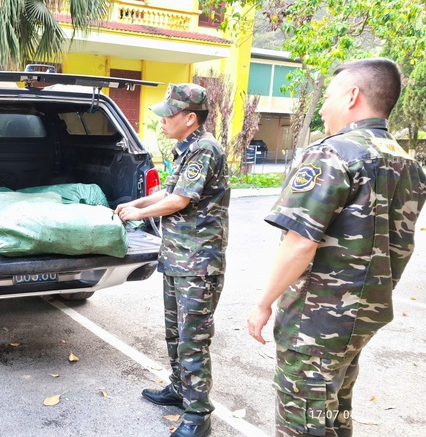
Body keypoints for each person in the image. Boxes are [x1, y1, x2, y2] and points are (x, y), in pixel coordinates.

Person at [247, 57, 426, 436]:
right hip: (361, 319)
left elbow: (300, 244)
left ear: (352, 96)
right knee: (335, 408)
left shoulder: (333, 153)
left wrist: (263, 304)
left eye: (328, 97)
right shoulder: (407, 163)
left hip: (317, 321)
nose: (323, 108)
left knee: (304, 420)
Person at [115, 83, 229, 437]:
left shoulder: (205, 149)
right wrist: (137, 204)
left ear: (190, 118)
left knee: (193, 339)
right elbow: (170, 191)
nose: (162, 121)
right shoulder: (188, 149)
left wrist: (138, 214)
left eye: (169, 115)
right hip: (179, 259)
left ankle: (198, 414)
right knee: (175, 332)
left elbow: (180, 201)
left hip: (198, 264)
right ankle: (180, 389)